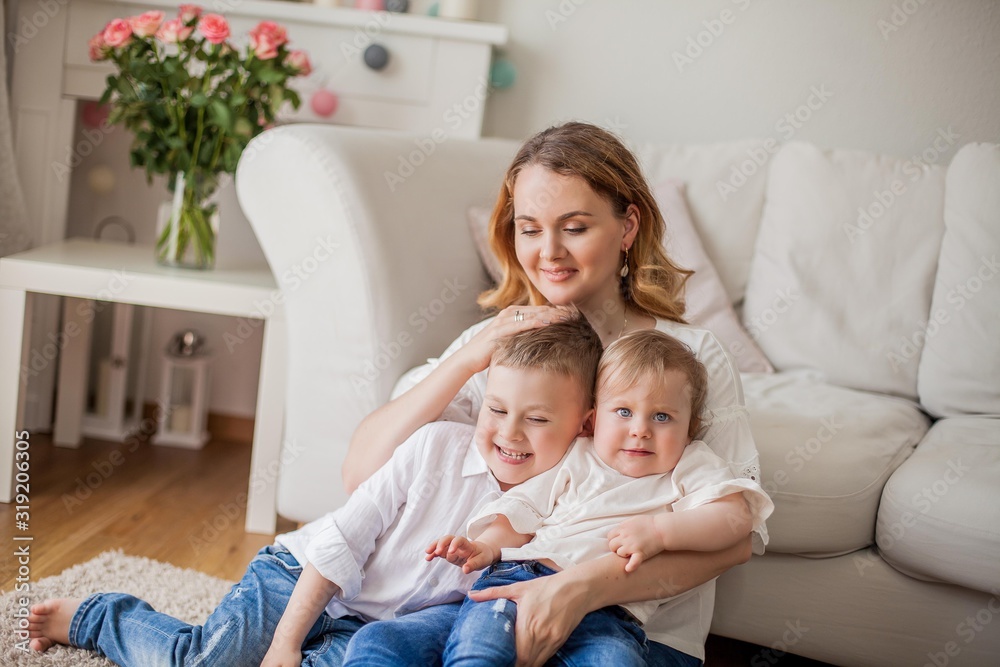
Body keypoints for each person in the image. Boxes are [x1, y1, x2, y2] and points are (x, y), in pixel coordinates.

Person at [345, 121, 769, 666]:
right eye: (530, 228)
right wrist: (470, 357)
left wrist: (581, 588)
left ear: (627, 226)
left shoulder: (689, 356)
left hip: (638, 632)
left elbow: (736, 538)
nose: (549, 252)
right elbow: (362, 472)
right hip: (499, 607)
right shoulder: (505, 345)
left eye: (574, 227)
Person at [26, 318, 603, 667]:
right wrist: (285, 644)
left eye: (536, 419)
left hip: (367, 627)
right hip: (301, 577)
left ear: (583, 424)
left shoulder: (568, 496)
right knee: (205, 659)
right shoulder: (435, 447)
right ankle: (99, 616)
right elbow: (342, 540)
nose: (508, 432)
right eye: (498, 409)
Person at [426, 330, 773, 665]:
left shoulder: (690, 465)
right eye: (623, 412)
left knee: (616, 660)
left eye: (662, 416)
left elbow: (735, 519)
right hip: (520, 578)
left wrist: (660, 532)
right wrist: (486, 547)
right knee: (478, 652)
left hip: (612, 610)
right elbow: (521, 511)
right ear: (592, 420)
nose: (640, 429)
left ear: (690, 429)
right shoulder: (578, 455)